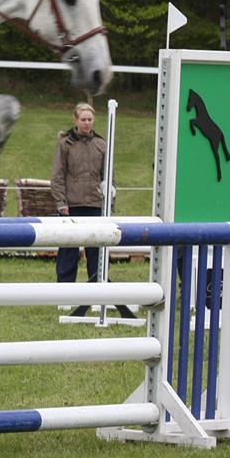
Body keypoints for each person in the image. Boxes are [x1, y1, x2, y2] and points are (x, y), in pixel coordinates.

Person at [50, 102, 136, 318]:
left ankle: (97, 296)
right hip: (72, 206)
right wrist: (61, 203)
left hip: (96, 206)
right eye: (83, 119)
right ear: (75, 120)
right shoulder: (65, 144)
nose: (87, 123)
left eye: (90, 119)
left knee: (97, 253)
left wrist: (110, 204)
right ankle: (65, 296)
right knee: (68, 252)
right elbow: (57, 176)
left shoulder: (101, 144)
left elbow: (109, 178)